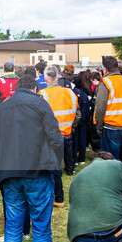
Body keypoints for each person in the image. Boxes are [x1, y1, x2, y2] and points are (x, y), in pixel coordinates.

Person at [0, 74, 66, 242]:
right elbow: (56, 138)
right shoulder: (40, 104)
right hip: (37, 173)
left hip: (12, 174)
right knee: (40, 227)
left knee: (13, 227)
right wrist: (54, 163)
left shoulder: (2, 108)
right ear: (34, 89)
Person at [41, 65, 79, 208]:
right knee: (58, 165)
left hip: (51, 136)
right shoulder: (70, 93)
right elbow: (77, 114)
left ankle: (58, 197)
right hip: (67, 134)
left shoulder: (43, 94)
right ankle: (58, 196)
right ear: (58, 77)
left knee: (53, 168)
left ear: (46, 79)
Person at [94, 56, 122, 177]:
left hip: (112, 126)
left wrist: (99, 125)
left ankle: (114, 186)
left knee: (111, 161)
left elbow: (100, 107)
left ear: (105, 69)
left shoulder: (106, 82)